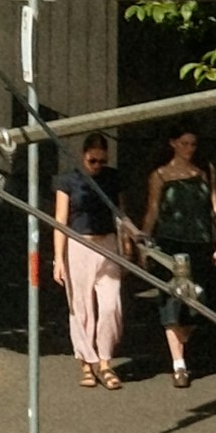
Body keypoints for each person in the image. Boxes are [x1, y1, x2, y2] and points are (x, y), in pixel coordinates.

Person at [135, 129, 216, 383]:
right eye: (184, 143)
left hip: (200, 242)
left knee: (198, 299)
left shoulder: (204, 171)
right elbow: (152, 211)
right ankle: (179, 364)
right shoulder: (160, 175)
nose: (189, 148)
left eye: (193, 144)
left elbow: (214, 209)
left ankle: (183, 336)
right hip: (169, 244)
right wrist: (144, 244)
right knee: (171, 300)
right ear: (173, 144)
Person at [49, 134, 132, 386]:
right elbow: (59, 221)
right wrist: (58, 259)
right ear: (83, 156)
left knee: (110, 306)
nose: (97, 165)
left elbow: (121, 215)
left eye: (101, 160)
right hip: (79, 244)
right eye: (92, 160)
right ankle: (87, 364)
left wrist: (127, 247)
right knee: (81, 308)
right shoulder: (68, 181)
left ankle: (105, 362)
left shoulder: (112, 178)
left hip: (107, 243)